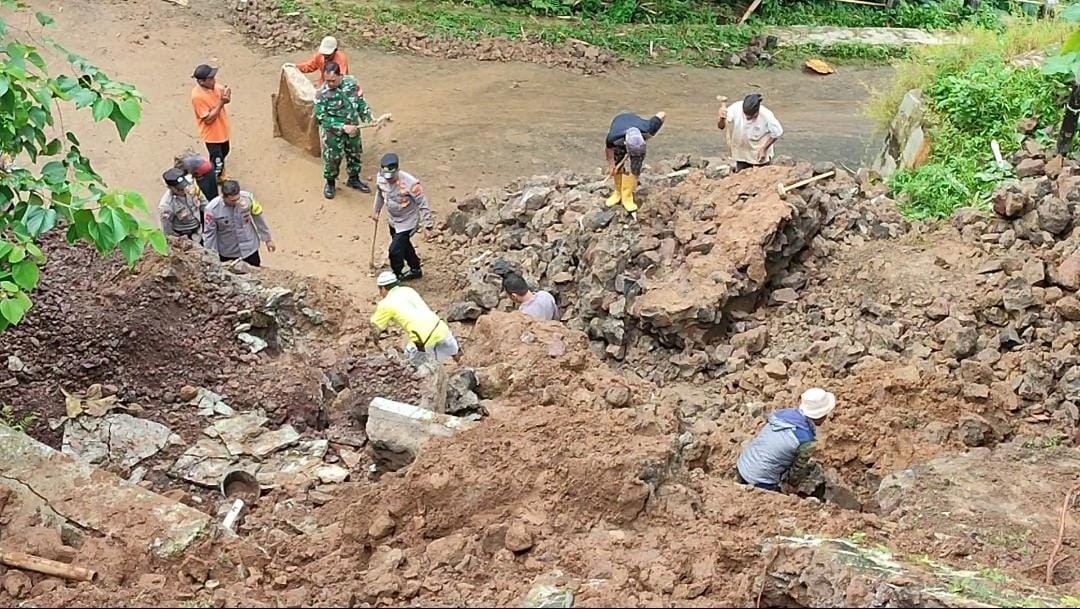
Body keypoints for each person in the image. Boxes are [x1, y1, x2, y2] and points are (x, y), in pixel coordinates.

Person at [735, 388, 836, 495]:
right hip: (760, 480)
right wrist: (792, 486)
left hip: (743, 465)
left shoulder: (783, 414)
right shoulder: (806, 440)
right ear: (822, 415)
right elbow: (797, 470)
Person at [313, 61, 372, 199]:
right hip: (333, 133)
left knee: (354, 154)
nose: (330, 84)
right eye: (327, 81)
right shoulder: (321, 94)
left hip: (353, 129)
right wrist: (342, 126)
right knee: (332, 159)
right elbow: (322, 118)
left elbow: (360, 102)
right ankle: (330, 182)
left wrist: (369, 118)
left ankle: (354, 179)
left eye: (333, 80)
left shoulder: (351, 84)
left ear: (340, 75)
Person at [370, 271, 459, 362]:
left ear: (383, 288)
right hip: (440, 327)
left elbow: (375, 329)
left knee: (415, 367)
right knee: (456, 353)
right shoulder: (408, 290)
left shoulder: (385, 304)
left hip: (422, 339)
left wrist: (375, 345)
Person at [371, 153, 433, 281]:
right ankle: (415, 268)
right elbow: (380, 193)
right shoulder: (381, 178)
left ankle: (396, 274)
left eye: (391, 177)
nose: (389, 180)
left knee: (394, 250)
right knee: (403, 245)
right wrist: (376, 210)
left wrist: (428, 226)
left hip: (408, 221)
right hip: (393, 220)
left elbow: (422, 203)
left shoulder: (410, 183)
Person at [604, 110, 666, 219]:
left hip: (637, 131)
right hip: (620, 125)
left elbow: (662, 114)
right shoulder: (614, 136)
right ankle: (618, 191)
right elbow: (609, 149)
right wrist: (611, 165)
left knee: (636, 165)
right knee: (618, 159)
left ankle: (627, 195)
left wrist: (648, 138)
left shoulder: (649, 128)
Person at [204, 179, 276, 267]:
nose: (237, 202)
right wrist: (211, 257)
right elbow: (210, 235)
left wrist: (268, 239)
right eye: (232, 200)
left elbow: (258, 217)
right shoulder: (212, 209)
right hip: (228, 253)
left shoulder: (248, 198)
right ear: (223, 196)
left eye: (238, 198)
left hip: (249, 249)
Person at [717, 93, 784, 173]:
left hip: (758, 153)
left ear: (757, 111)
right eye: (745, 116)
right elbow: (721, 126)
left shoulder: (767, 116)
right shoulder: (736, 108)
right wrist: (721, 118)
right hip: (741, 152)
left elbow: (777, 132)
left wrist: (764, 149)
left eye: (751, 117)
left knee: (760, 177)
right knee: (741, 176)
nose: (748, 119)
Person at [190, 64, 232, 180]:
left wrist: (227, 96)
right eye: (211, 78)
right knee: (217, 162)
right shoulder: (197, 97)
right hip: (212, 135)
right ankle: (214, 179)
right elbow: (208, 120)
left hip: (222, 130)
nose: (214, 80)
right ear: (202, 81)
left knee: (225, 151)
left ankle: (220, 172)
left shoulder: (216, 87)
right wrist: (221, 103)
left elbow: (225, 97)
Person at [159, 168, 207, 242]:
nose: (183, 190)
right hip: (182, 236)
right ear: (169, 187)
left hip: (199, 228)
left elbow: (203, 201)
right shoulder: (166, 205)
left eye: (184, 186)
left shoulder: (191, 186)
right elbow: (167, 229)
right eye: (179, 189)